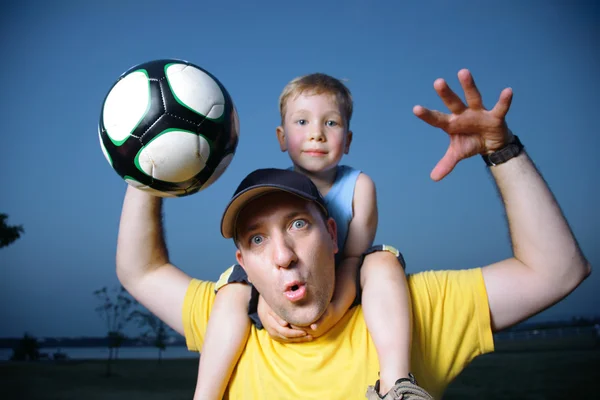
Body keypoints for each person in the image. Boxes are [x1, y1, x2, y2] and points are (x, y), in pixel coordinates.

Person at [115, 69, 591, 399]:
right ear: (241, 261)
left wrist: (500, 149)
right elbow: (140, 271)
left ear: (333, 232)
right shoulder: (229, 315)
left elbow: (557, 271)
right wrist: (149, 161)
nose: (282, 255)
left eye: (298, 224)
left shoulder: (405, 311)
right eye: (257, 239)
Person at [194, 72, 427, 400]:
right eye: (301, 122)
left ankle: (397, 384)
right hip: (289, 289)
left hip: (342, 279)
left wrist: (334, 311)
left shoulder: (360, 187)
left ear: (347, 141)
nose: (316, 134)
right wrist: (262, 309)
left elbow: (351, 258)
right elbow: (263, 263)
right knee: (230, 289)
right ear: (281, 137)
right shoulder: (274, 189)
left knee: (382, 261)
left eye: (331, 123)